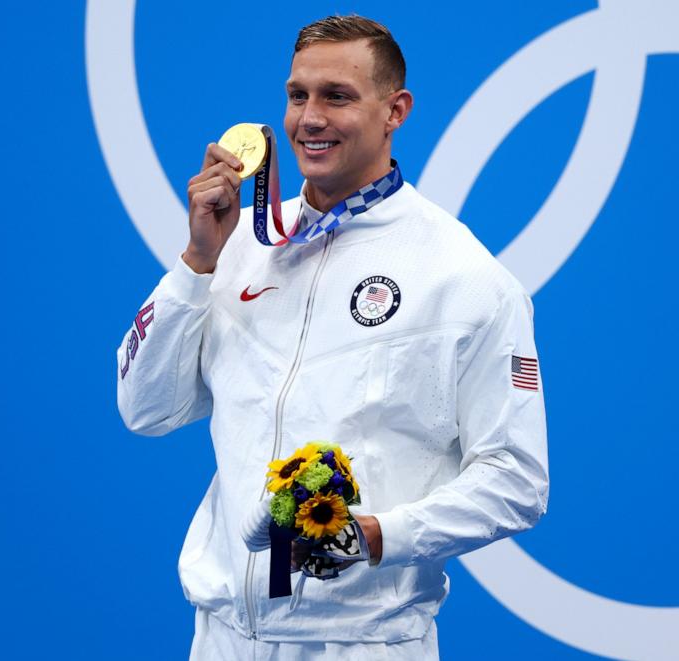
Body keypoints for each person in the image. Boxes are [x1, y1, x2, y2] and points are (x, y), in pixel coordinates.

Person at [117, 14, 549, 660]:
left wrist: (381, 534)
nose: (309, 118)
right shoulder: (243, 245)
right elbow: (143, 408)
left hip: (360, 641)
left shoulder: (465, 278)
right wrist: (196, 261)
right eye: (298, 95)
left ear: (394, 110)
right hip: (223, 638)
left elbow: (517, 479)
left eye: (337, 97)